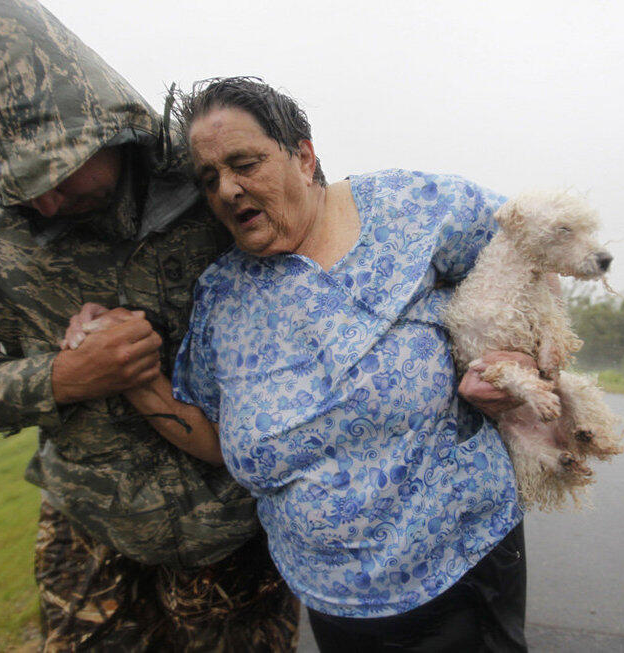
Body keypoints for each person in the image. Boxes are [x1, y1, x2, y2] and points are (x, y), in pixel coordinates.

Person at [0, 3, 296, 651]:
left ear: (102, 123)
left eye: (52, 171)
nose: (44, 201)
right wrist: (60, 376)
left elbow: (310, 253)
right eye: (12, 187)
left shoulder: (203, 166)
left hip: (235, 531)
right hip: (90, 531)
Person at [79, 77, 547, 651]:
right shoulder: (222, 297)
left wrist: (513, 357)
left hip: (462, 569)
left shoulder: (416, 208)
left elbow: (528, 253)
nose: (227, 189)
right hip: (332, 603)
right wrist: (135, 376)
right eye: (209, 178)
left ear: (303, 156)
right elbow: (220, 439)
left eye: (245, 163)